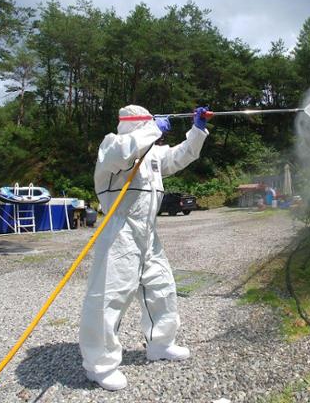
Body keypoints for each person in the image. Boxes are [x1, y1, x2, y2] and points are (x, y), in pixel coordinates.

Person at [79, 104, 211, 391]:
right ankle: (98, 366)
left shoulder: (151, 155)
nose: (154, 129)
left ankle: (160, 344)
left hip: (148, 232)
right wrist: (154, 129)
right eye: (148, 124)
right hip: (120, 231)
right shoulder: (112, 144)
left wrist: (197, 130)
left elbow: (180, 156)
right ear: (135, 125)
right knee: (109, 296)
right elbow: (121, 153)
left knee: (161, 288)